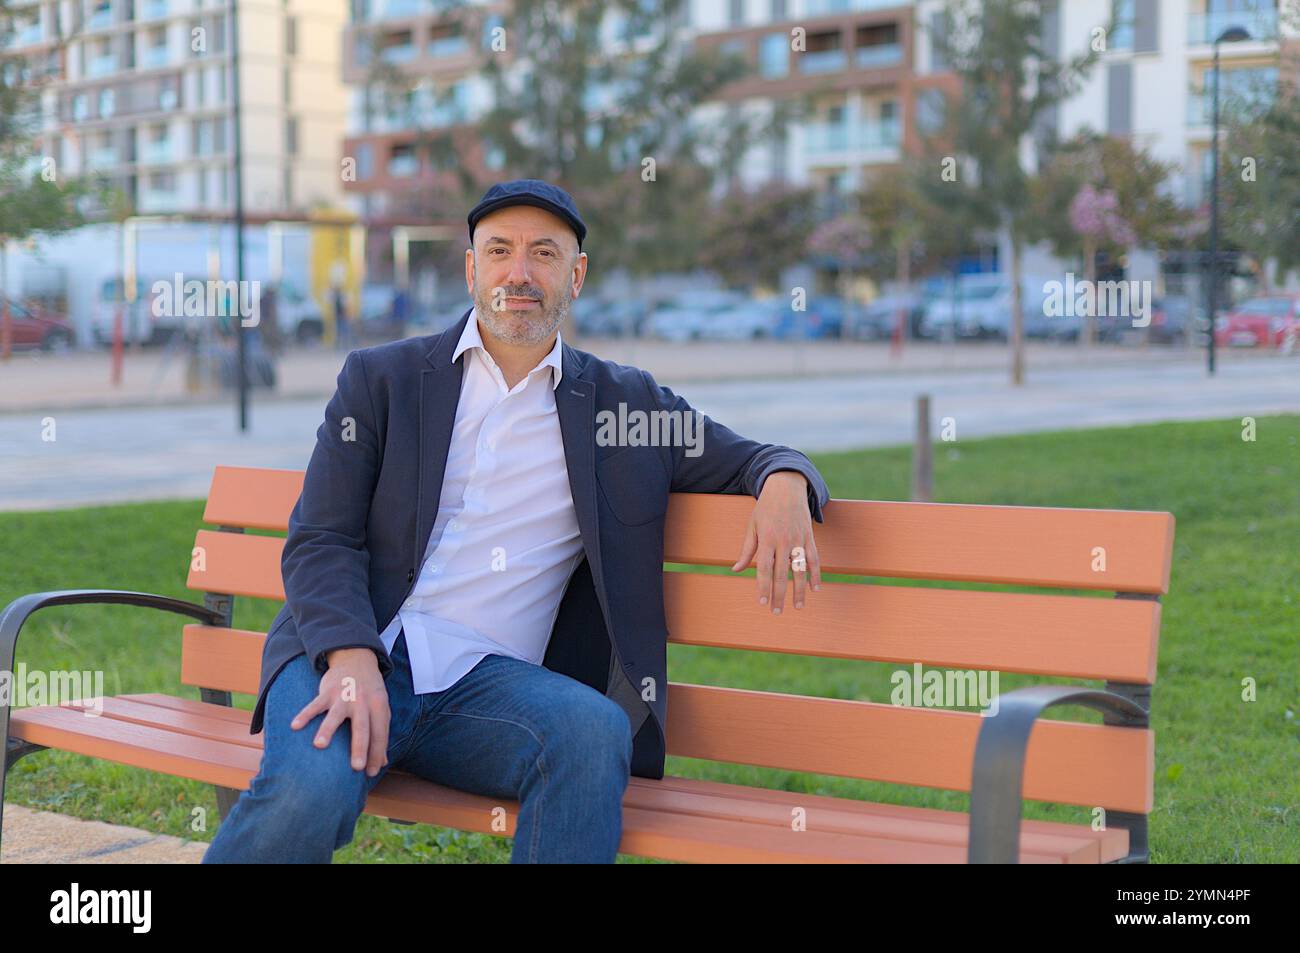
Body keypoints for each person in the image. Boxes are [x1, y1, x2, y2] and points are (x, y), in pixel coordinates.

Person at [202, 178, 831, 864]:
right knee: (308, 789)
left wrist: (785, 482)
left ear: (576, 275)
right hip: (352, 648)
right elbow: (321, 536)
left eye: (544, 253)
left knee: (593, 731)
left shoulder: (623, 406)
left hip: (486, 689)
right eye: (499, 251)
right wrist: (351, 657)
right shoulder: (381, 380)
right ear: (472, 268)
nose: (519, 272)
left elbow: (756, 457)